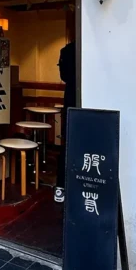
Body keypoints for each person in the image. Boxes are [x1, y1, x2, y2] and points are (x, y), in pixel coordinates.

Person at [55, 39, 76, 203]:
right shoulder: (87, 47)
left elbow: (63, 76)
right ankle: (78, 184)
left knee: (67, 143)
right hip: (86, 99)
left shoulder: (66, 51)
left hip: (69, 99)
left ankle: (61, 186)